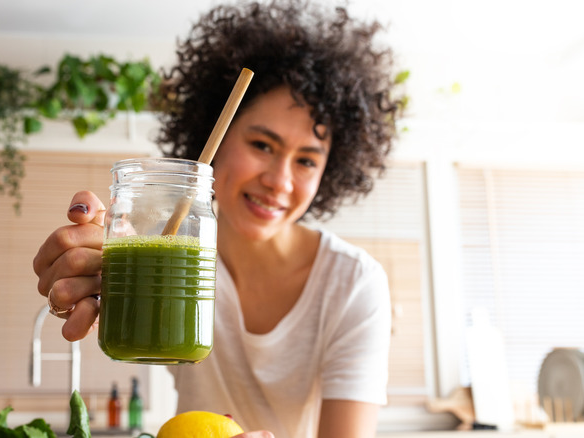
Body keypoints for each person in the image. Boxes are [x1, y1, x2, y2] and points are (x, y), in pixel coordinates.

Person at [33, 0, 405, 437]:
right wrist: (92, 263)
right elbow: (120, 243)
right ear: (215, 135)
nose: (279, 181)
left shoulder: (353, 283)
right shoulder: (159, 238)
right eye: (263, 146)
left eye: (306, 160)